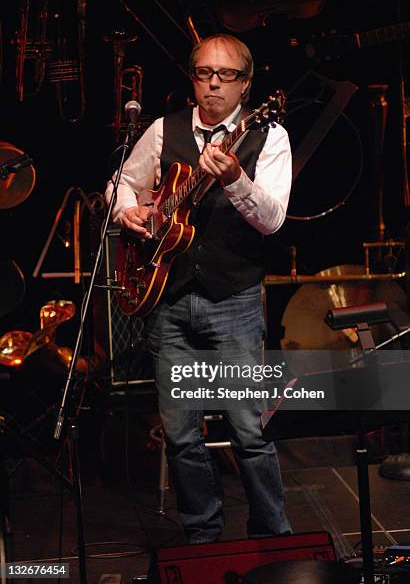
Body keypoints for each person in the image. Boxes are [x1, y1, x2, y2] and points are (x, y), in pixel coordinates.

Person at [105, 34, 292, 544]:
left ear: (246, 85)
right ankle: (201, 539)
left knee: (248, 432)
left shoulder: (266, 135)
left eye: (226, 75)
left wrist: (235, 179)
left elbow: (273, 220)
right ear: (192, 79)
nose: (213, 82)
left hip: (232, 301)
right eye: (204, 72)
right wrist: (131, 211)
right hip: (167, 299)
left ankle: (272, 537)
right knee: (182, 436)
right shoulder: (164, 130)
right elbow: (119, 183)